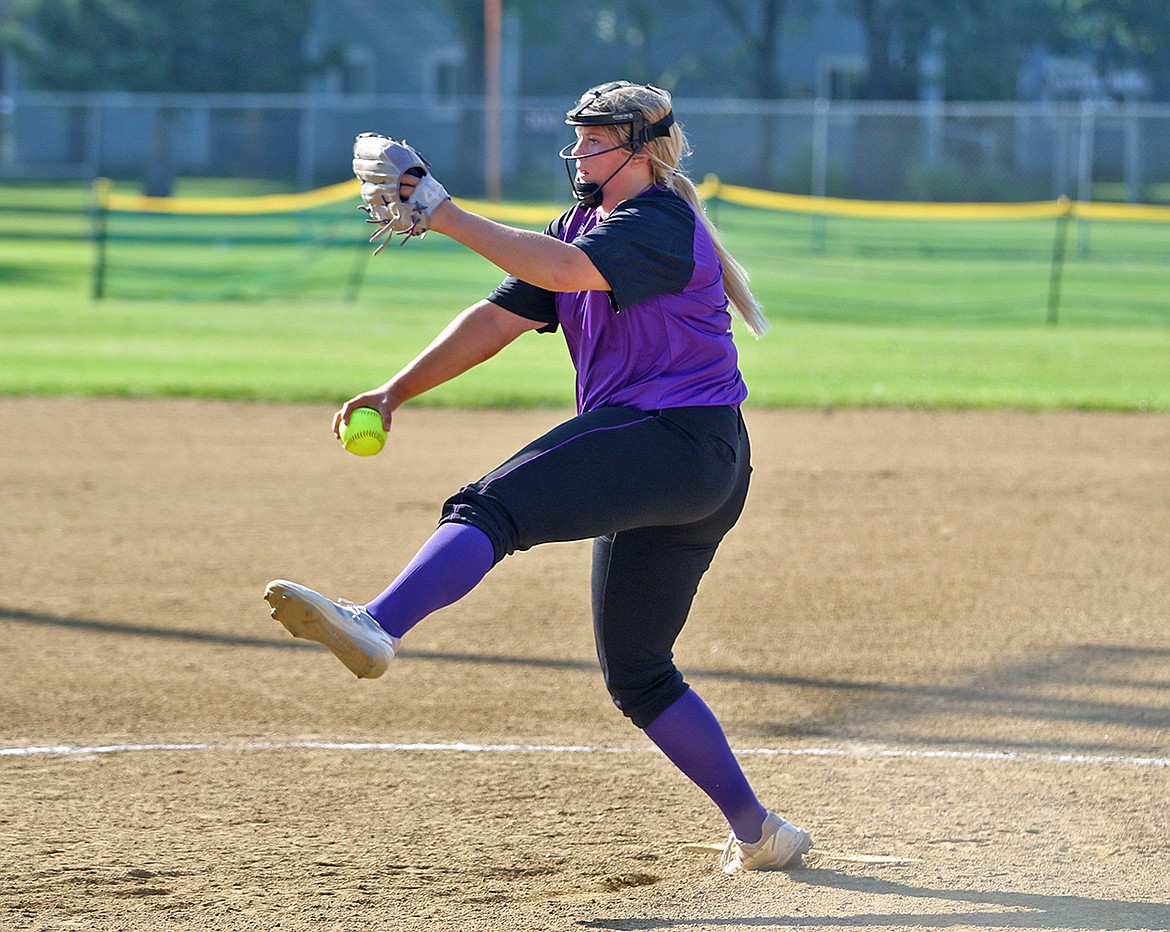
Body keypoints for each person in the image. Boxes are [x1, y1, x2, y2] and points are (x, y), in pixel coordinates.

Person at [265, 80, 811, 873]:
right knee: (639, 673)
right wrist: (395, 391)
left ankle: (379, 623)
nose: (580, 153)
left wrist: (445, 214)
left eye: (597, 140)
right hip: (695, 465)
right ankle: (760, 830)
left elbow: (564, 271)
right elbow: (499, 317)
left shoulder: (657, 219)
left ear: (644, 147)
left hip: (673, 441)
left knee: (491, 505)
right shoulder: (583, 224)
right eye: (577, 139)